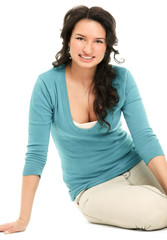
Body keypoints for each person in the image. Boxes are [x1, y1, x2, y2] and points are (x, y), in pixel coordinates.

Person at [0, 5, 167, 234]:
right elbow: (36, 154)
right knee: (157, 211)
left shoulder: (123, 78)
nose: (89, 48)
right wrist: (23, 219)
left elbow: (145, 139)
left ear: (107, 46)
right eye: (81, 38)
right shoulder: (47, 85)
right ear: (68, 40)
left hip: (134, 165)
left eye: (98, 41)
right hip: (92, 188)